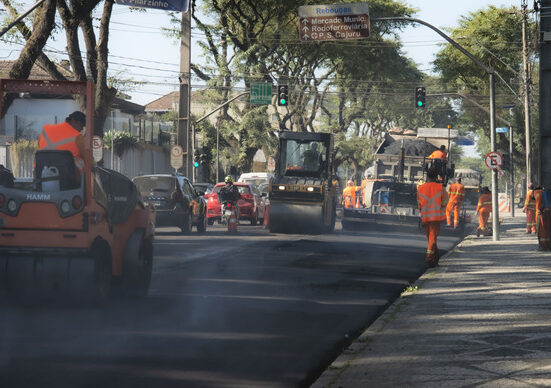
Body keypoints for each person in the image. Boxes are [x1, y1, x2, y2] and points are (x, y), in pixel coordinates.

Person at [417, 166, 448, 267]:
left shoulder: (420, 188)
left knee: (430, 238)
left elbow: (419, 205)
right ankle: (429, 258)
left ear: (427, 176)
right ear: (436, 176)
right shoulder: (440, 188)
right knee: (433, 238)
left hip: (425, 217)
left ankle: (435, 256)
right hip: (435, 217)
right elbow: (445, 202)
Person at [534, 186, 550, 251]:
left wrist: (538, 210)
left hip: (541, 214)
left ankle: (543, 246)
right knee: (548, 229)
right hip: (548, 213)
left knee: (542, 230)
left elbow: (538, 205)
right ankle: (548, 245)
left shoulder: (537, 192)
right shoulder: (546, 192)